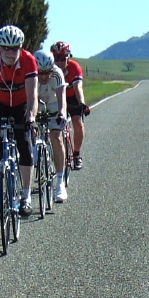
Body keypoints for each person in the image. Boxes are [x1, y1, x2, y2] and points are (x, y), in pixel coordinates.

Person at [0, 25, 38, 217]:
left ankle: (25, 196)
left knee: (24, 142)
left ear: (21, 47)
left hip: (21, 103)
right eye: (5, 48)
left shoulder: (29, 61)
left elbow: (32, 96)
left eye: (15, 47)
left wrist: (31, 116)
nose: (10, 52)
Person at [33, 49, 68, 203]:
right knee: (32, 134)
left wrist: (61, 114)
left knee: (56, 137)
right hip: (37, 104)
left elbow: (62, 98)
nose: (44, 77)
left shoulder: (57, 74)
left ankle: (60, 182)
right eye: (41, 73)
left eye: (47, 73)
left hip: (54, 104)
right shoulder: (31, 74)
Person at [50, 41, 89, 170]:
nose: (59, 62)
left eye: (62, 58)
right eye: (56, 58)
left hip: (72, 97)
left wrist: (82, 103)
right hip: (56, 97)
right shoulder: (50, 69)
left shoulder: (74, 67)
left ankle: (76, 154)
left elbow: (78, 87)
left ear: (68, 56)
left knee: (78, 123)